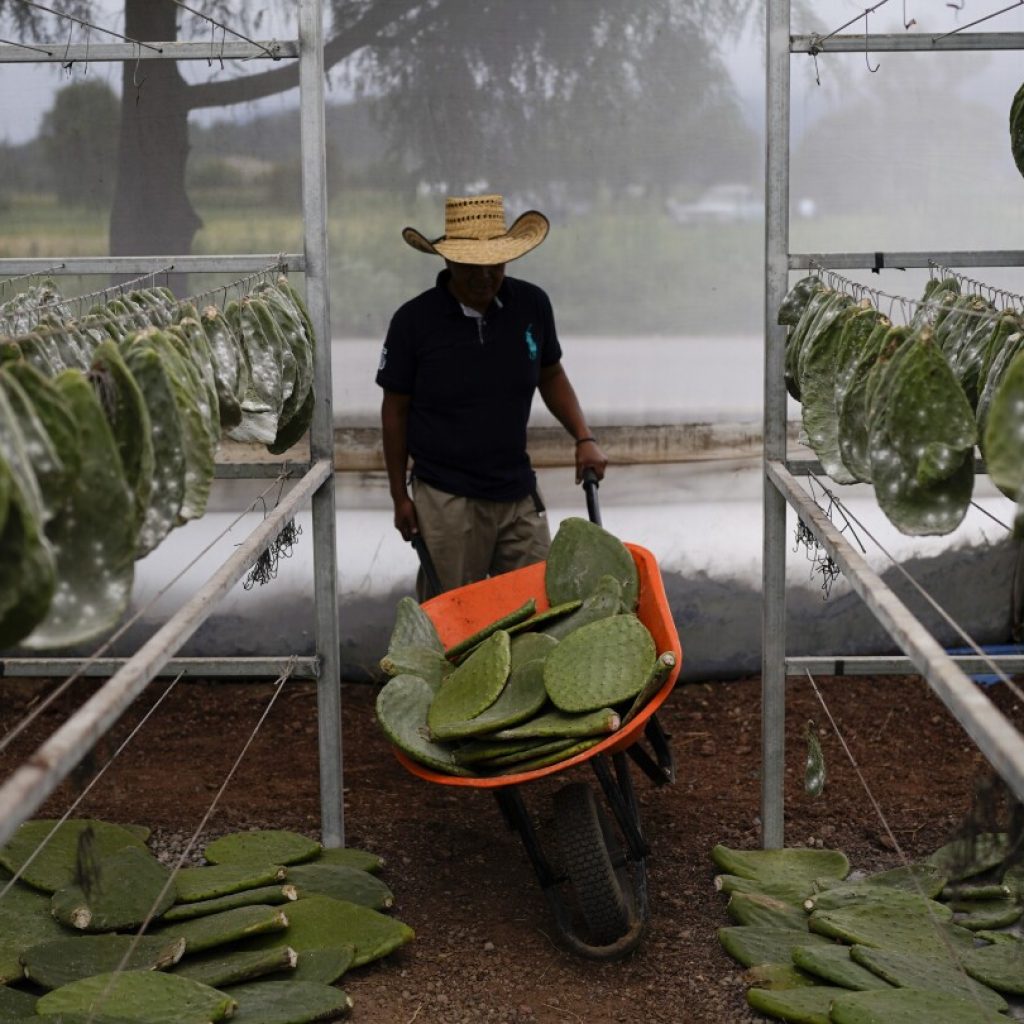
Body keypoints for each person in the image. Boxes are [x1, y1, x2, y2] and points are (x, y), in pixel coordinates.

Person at [376, 193, 608, 600]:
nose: (484, 276)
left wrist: (583, 437)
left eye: (495, 264)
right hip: (446, 496)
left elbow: (550, 373)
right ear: (448, 262)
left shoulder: (531, 305)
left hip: (515, 488)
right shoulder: (414, 322)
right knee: (453, 613)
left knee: (537, 604)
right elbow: (395, 411)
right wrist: (399, 496)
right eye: (471, 266)